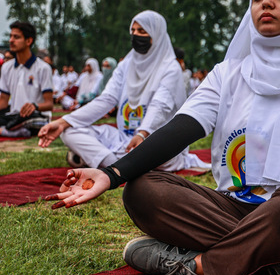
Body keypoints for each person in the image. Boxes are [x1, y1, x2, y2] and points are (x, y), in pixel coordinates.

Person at [42, 0, 280, 275]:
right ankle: (277, 263)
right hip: (232, 206)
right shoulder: (228, 73)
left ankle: (200, 264)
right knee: (143, 190)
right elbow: (181, 128)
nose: (266, 2)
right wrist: (112, 174)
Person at [38, 10, 205, 172]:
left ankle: (113, 163)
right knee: (69, 131)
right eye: (133, 30)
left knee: (156, 152)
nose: (135, 35)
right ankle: (115, 165)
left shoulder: (171, 68)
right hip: (125, 139)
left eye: (142, 31)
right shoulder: (127, 64)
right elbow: (106, 99)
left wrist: (142, 134)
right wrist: (63, 122)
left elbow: (159, 106)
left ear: (157, 34)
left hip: (157, 142)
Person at [0, 21, 53, 137]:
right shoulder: (6, 67)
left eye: (16, 37)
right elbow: (3, 102)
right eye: (10, 36)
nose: (11, 40)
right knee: (11, 119)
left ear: (28, 41)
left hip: (36, 116)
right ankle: (14, 131)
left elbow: (49, 104)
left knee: (30, 120)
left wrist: (34, 106)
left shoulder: (43, 68)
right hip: (15, 116)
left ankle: (10, 131)